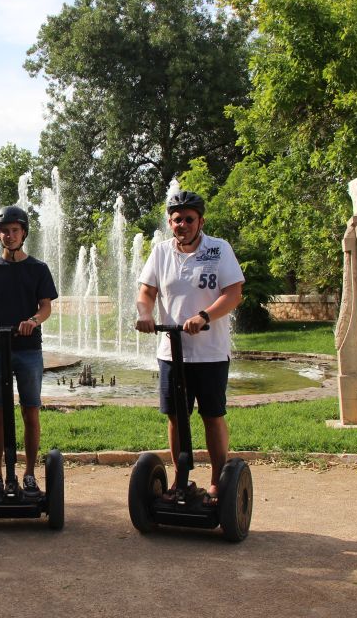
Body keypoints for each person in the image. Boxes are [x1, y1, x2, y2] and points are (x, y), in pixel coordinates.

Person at [135, 190, 244, 506]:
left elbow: (234, 293)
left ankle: (216, 482)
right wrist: (145, 313)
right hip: (171, 351)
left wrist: (205, 315)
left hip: (209, 351)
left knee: (212, 416)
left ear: (200, 221)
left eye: (188, 219)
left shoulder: (218, 249)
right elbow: (146, 292)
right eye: (176, 219)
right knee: (175, 417)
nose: (182, 224)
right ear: (170, 222)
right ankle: (181, 478)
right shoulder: (161, 252)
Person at [0, 206, 58, 500]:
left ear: (23, 233)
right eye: (4, 231)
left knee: (31, 412)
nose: (9, 235)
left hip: (28, 350)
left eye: (14, 230)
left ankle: (30, 474)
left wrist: (33, 321)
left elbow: (46, 306)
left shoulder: (38, 268)